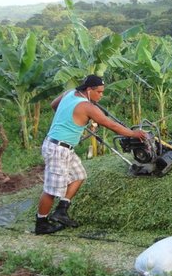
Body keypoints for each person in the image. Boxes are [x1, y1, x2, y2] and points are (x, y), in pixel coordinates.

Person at [34, 75, 147, 235]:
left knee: (79, 175)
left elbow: (54, 105)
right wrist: (134, 133)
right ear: (89, 90)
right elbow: (111, 125)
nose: (101, 96)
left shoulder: (69, 93)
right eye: (99, 92)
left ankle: (61, 211)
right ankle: (41, 223)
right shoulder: (87, 107)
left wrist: (71, 119)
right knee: (51, 190)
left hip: (63, 147)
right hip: (57, 149)